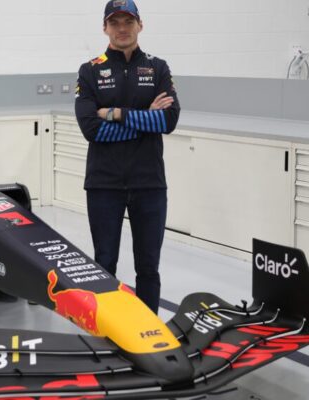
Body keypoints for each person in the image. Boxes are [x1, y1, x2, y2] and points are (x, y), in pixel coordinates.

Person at [74, 0, 180, 314]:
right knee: (104, 263)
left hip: (149, 183)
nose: (122, 29)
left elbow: (168, 121)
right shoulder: (90, 71)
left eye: (128, 22)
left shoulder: (158, 68)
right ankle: (107, 329)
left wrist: (116, 113)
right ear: (105, 28)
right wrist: (144, 119)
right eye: (115, 22)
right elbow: (92, 130)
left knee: (148, 267)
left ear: (140, 25)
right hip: (103, 183)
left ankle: (148, 334)